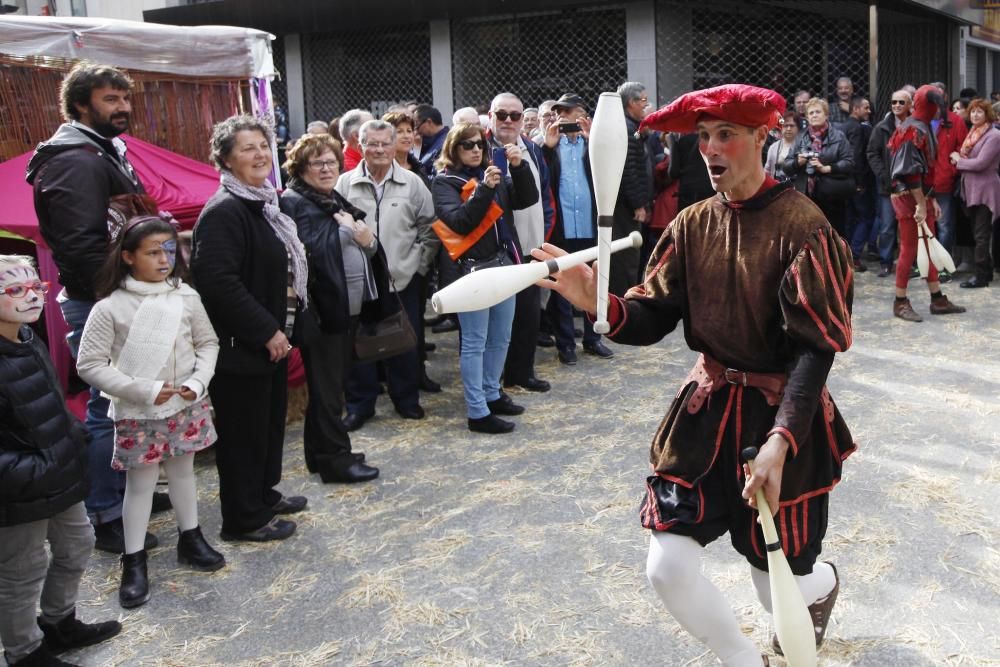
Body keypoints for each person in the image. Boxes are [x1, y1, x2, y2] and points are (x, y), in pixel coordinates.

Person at [534, 84, 852, 666]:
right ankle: (739, 658)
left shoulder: (804, 227)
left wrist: (781, 443)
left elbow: (815, 351)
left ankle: (820, 585)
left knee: (773, 583)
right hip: (705, 418)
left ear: (763, 137)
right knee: (668, 567)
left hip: (779, 419)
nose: (710, 147)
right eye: (703, 136)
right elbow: (652, 315)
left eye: (725, 134)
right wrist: (597, 303)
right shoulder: (691, 223)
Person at [25, 60, 161, 555]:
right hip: (101, 302)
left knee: (131, 407)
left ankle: (125, 490)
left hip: (117, 296)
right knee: (108, 410)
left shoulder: (97, 150)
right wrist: (117, 303)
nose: (123, 108)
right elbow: (81, 248)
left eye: (125, 98)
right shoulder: (74, 159)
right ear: (80, 104)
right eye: (110, 99)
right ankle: (106, 512)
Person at [76, 216, 224, 609]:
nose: (164, 259)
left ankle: (190, 538)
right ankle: (134, 559)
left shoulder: (185, 296)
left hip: (187, 403)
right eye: (153, 252)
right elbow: (89, 364)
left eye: (170, 250)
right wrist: (144, 390)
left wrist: (199, 380)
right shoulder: (110, 307)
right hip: (139, 411)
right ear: (127, 257)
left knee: (183, 473)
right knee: (141, 486)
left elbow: (208, 342)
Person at [0, 255, 123, 667]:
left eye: (37, 287)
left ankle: (59, 621)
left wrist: (75, 438)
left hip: (57, 471)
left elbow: (49, 399)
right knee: (23, 569)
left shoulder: (26, 339)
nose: (31, 297)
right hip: (20, 489)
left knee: (77, 543)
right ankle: (24, 651)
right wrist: (27, 472)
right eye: (16, 290)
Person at [192, 115, 309, 542]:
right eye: (247, 148)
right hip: (244, 346)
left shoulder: (262, 205)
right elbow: (217, 281)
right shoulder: (225, 211)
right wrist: (266, 330)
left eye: (263, 145)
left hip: (270, 343)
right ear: (224, 159)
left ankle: (262, 494)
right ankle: (243, 519)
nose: (260, 154)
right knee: (243, 435)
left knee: (267, 426)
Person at [279, 134, 380, 483]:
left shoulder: (328, 199)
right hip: (323, 309)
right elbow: (307, 255)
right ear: (300, 168)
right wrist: (350, 233)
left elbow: (359, 239)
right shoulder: (295, 201)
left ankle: (320, 454)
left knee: (331, 384)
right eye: (316, 163)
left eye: (331, 162)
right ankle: (336, 459)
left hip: (345, 305)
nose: (325, 169)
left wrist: (362, 238)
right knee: (328, 389)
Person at [432, 123, 538, 433]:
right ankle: (477, 411)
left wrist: (518, 168)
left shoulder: (492, 172)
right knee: (475, 342)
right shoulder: (444, 182)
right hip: (471, 270)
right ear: (454, 149)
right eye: (467, 145)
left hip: (503, 262)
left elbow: (526, 199)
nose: (476, 149)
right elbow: (460, 223)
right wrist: (485, 190)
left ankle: (492, 393)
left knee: (501, 336)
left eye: (479, 143)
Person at [336, 120, 439, 431]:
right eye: (372, 143)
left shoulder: (412, 183)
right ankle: (360, 405)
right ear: (360, 146)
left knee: (405, 341)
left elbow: (430, 228)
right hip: (358, 281)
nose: (379, 149)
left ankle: (406, 400)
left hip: (402, 277)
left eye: (385, 143)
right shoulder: (344, 185)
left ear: (395, 146)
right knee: (359, 343)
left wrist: (419, 266)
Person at [484, 93, 554, 394]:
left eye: (515, 115)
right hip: (494, 252)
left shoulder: (534, 150)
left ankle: (521, 374)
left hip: (530, 247)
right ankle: (492, 382)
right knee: (494, 325)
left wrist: (544, 234)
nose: (509, 121)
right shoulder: (479, 147)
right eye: (502, 115)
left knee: (528, 316)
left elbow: (545, 195)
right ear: (490, 116)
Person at [541, 93, 614, 364]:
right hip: (561, 228)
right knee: (562, 287)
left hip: (590, 225)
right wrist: (547, 148)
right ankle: (566, 344)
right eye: (560, 112)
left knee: (595, 282)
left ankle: (593, 339)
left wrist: (593, 138)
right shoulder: (548, 146)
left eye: (569, 112)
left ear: (582, 116)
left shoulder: (592, 143)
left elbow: (610, 168)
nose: (563, 117)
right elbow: (541, 179)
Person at [886, 85, 966, 321]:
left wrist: (929, 200)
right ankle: (900, 302)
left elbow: (922, 173)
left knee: (929, 248)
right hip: (909, 197)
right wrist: (921, 203)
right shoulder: (913, 130)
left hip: (920, 196)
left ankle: (937, 298)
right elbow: (909, 175)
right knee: (910, 250)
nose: (940, 110)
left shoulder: (920, 126)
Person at [784, 98, 854, 237]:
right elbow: (787, 165)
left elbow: (849, 162)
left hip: (832, 195)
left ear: (826, 115)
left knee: (834, 234)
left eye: (818, 112)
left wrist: (827, 168)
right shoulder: (800, 137)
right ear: (807, 117)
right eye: (811, 113)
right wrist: (798, 162)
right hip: (807, 195)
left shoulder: (838, 136)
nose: (814, 115)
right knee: (809, 236)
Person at [950, 98, 1000, 288]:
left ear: (988, 114)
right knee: (977, 232)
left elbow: (981, 163)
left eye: (980, 112)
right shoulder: (974, 132)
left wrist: (958, 161)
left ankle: (981, 275)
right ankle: (985, 272)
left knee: (981, 234)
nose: (975, 115)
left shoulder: (993, 135)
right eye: (972, 112)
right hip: (970, 189)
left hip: (986, 189)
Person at [615, 81, 654, 290]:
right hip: (627, 209)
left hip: (632, 205)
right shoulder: (626, 128)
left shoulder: (634, 128)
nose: (646, 106)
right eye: (643, 101)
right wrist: (638, 204)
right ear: (631, 102)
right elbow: (629, 171)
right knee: (627, 258)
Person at [868, 90, 911, 277]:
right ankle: (885, 262)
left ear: (909, 104)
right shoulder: (881, 127)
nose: (897, 106)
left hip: (911, 184)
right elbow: (872, 153)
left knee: (909, 227)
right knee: (886, 226)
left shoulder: (916, 126)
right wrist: (883, 175)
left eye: (901, 102)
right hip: (888, 185)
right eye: (894, 102)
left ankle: (908, 263)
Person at [929, 82, 969, 272]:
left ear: (945, 97)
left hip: (943, 182)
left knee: (944, 226)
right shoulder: (919, 120)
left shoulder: (955, 121)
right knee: (925, 226)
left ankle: (943, 266)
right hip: (920, 183)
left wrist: (952, 170)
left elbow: (963, 148)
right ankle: (927, 265)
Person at [841, 96, 875, 272]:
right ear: (856, 109)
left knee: (850, 219)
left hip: (845, 180)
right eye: (866, 108)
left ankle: (846, 254)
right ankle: (853, 256)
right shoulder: (857, 129)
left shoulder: (844, 127)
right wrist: (860, 182)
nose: (869, 111)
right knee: (865, 217)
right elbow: (856, 157)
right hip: (856, 181)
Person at [414, 104, 449, 177]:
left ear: (429, 122)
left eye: (417, 126)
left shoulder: (445, 143)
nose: (416, 131)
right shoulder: (427, 141)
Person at [764, 111, 798, 180]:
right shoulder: (773, 147)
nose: (788, 129)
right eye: (785, 126)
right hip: (777, 186)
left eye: (791, 126)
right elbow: (767, 171)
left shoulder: (803, 145)